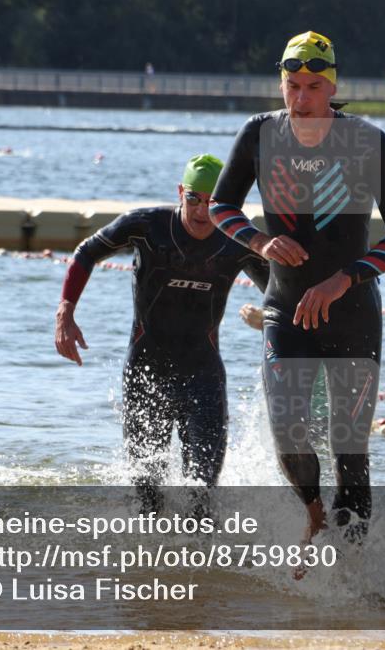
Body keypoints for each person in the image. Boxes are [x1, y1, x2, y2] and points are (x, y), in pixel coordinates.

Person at [209, 31, 385, 549]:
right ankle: (312, 511)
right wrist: (260, 243)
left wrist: (343, 278)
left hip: (352, 316)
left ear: (332, 86)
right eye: (291, 86)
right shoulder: (258, 135)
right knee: (288, 429)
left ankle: (355, 572)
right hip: (285, 309)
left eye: (312, 87)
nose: (300, 100)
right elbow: (219, 208)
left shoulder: (367, 142)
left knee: (350, 452)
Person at [55, 155, 269, 510]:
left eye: (213, 202)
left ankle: (199, 561)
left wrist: (271, 318)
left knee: (202, 498)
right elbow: (86, 252)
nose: (202, 211)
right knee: (148, 500)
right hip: (146, 374)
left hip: (204, 378)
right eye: (194, 199)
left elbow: (278, 295)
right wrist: (66, 311)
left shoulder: (239, 239)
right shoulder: (147, 225)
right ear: (180, 192)